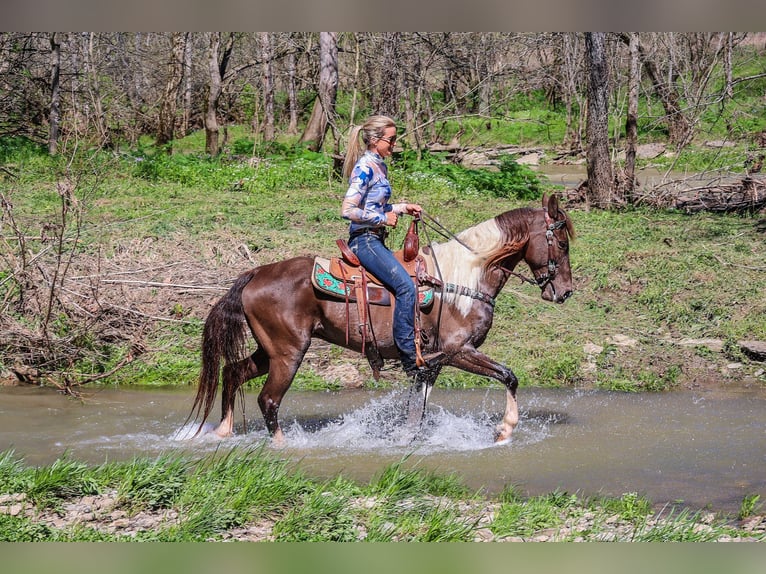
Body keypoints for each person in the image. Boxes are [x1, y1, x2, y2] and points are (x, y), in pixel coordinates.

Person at [341, 115, 423, 376]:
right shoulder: (365, 167)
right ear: (375, 140)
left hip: (375, 238)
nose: (395, 144)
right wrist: (383, 219)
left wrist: (401, 208)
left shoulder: (380, 165)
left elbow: (375, 205)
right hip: (364, 240)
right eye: (392, 139)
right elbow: (348, 209)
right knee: (406, 287)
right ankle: (408, 356)